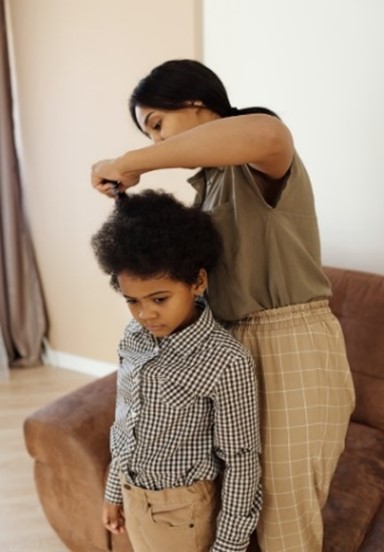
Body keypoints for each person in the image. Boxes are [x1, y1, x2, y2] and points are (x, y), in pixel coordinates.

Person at [90, 59, 355, 552]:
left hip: (290, 343)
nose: (156, 144)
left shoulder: (259, 158)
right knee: (235, 504)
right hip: (229, 340)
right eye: (149, 136)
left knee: (286, 521)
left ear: (196, 106)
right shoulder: (207, 189)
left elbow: (268, 134)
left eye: (157, 126)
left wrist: (133, 162)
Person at [91, 189, 262, 552]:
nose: (145, 314)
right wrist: (114, 490)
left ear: (197, 282)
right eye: (132, 301)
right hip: (132, 494)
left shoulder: (226, 361)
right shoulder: (134, 337)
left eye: (159, 299)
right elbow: (125, 422)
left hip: (183, 512)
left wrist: (229, 546)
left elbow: (241, 460)